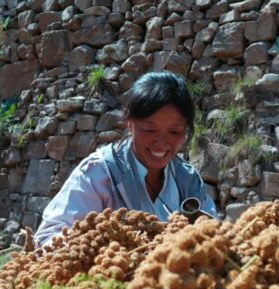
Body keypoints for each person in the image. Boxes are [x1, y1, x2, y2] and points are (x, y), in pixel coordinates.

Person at [34, 71, 217, 247]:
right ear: (130, 124)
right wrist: (104, 250)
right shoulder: (99, 174)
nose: (161, 143)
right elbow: (49, 237)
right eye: (149, 129)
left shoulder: (187, 179)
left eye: (175, 131)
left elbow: (212, 233)